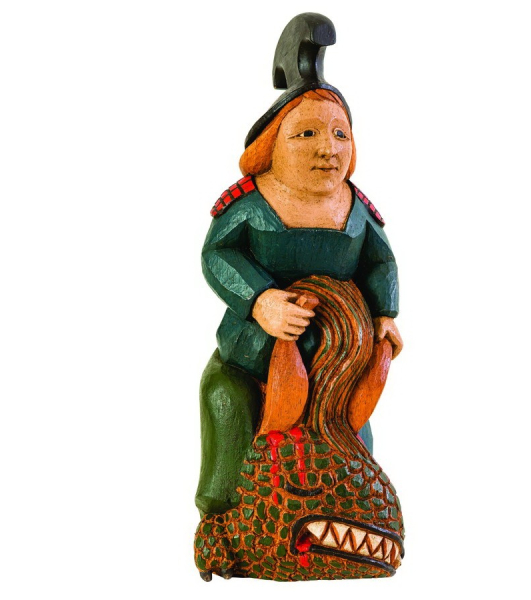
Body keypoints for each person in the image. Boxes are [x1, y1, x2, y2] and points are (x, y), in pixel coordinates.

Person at [196, 14, 402, 515]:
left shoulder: (355, 209)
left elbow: (381, 261)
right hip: (255, 351)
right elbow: (217, 254)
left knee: (352, 429)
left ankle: (347, 506)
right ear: (271, 146)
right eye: (306, 133)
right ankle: (227, 510)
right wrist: (261, 300)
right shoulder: (251, 205)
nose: (328, 149)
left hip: (338, 362)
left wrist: (384, 314)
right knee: (228, 402)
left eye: (339, 134)